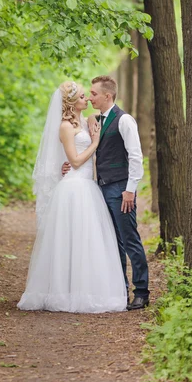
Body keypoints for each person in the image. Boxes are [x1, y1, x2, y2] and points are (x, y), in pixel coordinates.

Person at [17, 81, 127, 313]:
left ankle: (87, 289)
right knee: (70, 240)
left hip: (89, 185)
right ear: (70, 102)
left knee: (89, 240)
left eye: (88, 96)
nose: (86, 100)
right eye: (82, 97)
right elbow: (75, 160)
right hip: (74, 187)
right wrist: (94, 144)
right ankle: (63, 291)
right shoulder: (65, 127)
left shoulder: (89, 122)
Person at [63, 75, 150, 310]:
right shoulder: (95, 120)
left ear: (107, 96)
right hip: (100, 187)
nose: (90, 97)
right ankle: (120, 289)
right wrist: (69, 165)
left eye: (93, 94)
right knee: (113, 242)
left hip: (121, 189)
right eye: (88, 94)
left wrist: (130, 190)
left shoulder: (125, 120)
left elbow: (135, 156)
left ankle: (141, 292)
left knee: (130, 239)